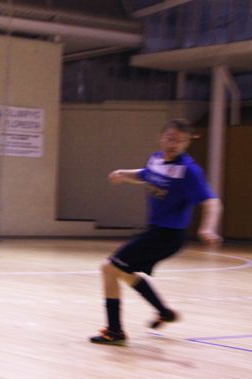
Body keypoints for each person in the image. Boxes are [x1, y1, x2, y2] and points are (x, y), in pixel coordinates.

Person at [90, 118, 222, 346]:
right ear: (161, 138)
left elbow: (212, 201)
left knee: (109, 269)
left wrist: (207, 228)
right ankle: (164, 312)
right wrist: (123, 174)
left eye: (181, 141)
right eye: (171, 138)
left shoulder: (189, 171)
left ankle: (114, 331)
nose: (175, 144)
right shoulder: (156, 159)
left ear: (187, 144)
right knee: (124, 272)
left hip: (168, 236)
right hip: (155, 232)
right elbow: (146, 174)